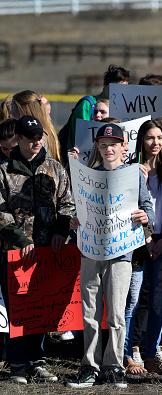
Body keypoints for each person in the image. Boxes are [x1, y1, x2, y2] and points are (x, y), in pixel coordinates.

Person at [66, 123, 153, 389]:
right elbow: (77, 209)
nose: (108, 149)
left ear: (124, 146)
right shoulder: (88, 175)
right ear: (98, 148)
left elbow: (147, 206)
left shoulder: (134, 175)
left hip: (121, 252)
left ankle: (114, 366)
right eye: (103, 145)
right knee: (90, 311)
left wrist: (145, 216)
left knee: (116, 313)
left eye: (113, 144)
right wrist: (74, 221)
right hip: (91, 250)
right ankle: (90, 366)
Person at [0, 115, 75, 384]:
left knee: (42, 305)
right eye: (30, 139)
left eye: (39, 137)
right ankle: (18, 362)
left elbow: (67, 203)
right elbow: (1, 212)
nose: (36, 142)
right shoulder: (4, 170)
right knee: (18, 306)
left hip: (48, 251)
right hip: (16, 252)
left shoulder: (54, 168)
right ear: (18, 139)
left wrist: (60, 231)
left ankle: (37, 361)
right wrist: (21, 239)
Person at [125, 120, 162, 375]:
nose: (156, 143)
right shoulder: (131, 171)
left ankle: (151, 353)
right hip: (137, 242)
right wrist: (147, 238)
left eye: (160, 138)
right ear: (142, 140)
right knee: (134, 300)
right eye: (150, 138)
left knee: (159, 301)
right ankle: (129, 351)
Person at [59, 64, 130, 164]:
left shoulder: (121, 107)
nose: (120, 92)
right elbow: (82, 136)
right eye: (117, 88)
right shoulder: (87, 104)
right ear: (106, 86)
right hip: (84, 162)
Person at [1, 90, 61, 162]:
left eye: (14, 112)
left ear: (24, 111)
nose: (12, 116)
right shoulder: (46, 128)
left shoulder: (37, 136)